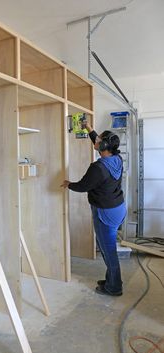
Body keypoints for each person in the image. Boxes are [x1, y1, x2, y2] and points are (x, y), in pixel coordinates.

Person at [61, 122, 126, 296]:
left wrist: (69, 184)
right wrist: (89, 128)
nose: (95, 140)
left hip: (105, 212)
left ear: (103, 146)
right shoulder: (116, 159)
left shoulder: (98, 168)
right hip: (118, 208)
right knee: (106, 246)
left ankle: (114, 287)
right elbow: (98, 141)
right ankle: (111, 279)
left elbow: (83, 186)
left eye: (99, 140)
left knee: (108, 250)